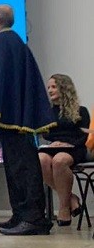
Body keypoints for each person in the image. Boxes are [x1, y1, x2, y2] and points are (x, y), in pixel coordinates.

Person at [0, 4, 56, 235]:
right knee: (17, 167)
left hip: (13, 121)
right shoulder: (13, 42)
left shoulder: (0, 43)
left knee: (22, 168)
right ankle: (21, 214)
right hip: (17, 118)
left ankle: (33, 218)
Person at [38, 74, 90, 226]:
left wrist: (67, 143)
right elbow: (46, 134)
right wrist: (53, 143)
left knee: (59, 160)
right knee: (41, 160)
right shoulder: (47, 112)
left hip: (75, 147)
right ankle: (71, 198)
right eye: (48, 87)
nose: (50, 90)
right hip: (54, 147)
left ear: (64, 88)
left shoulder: (81, 110)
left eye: (53, 87)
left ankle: (63, 209)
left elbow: (85, 136)